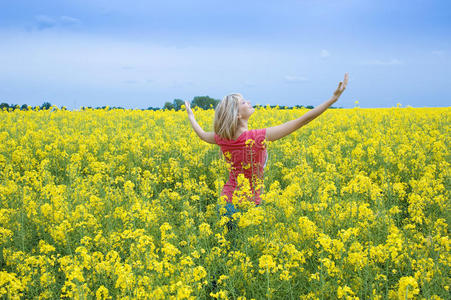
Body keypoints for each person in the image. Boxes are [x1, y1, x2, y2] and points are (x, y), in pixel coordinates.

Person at [185, 73, 349, 217]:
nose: (248, 102)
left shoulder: (222, 138)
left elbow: (202, 134)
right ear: (237, 115)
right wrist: (333, 99)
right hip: (248, 204)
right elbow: (301, 121)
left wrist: (191, 116)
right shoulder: (257, 138)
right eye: (243, 103)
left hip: (226, 201)